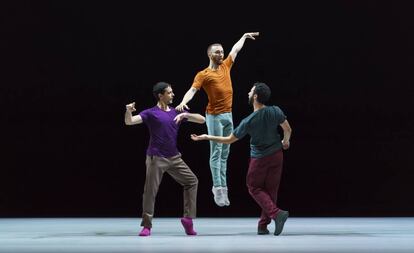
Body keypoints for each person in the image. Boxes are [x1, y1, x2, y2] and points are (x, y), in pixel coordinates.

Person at [191, 82, 292, 236]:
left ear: (256, 96)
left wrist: (206, 137)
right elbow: (287, 129)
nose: (248, 93)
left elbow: (229, 139)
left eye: (250, 91)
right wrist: (286, 141)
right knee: (271, 190)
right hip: (277, 155)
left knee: (253, 187)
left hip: (260, 159)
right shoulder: (275, 110)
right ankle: (263, 226)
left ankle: (277, 213)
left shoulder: (249, 120)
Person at [176, 32, 260, 207]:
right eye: (217, 52)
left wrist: (244, 37)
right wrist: (184, 102)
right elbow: (192, 90)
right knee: (216, 152)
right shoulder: (203, 74)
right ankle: (218, 188)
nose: (221, 54)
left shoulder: (226, 66)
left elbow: (235, 50)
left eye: (222, 52)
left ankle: (223, 188)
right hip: (214, 116)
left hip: (228, 115)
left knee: (225, 153)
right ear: (210, 54)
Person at [125, 81, 205, 236]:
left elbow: (202, 119)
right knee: (150, 191)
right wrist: (128, 111)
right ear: (160, 95)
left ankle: (188, 220)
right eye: (169, 92)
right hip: (156, 158)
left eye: (172, 92)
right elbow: (129, 121)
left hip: (175, 157)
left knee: (192, 181)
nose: (173, 94)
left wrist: (186, 114)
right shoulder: (150, 113)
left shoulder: (177, 112)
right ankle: (147, 226)